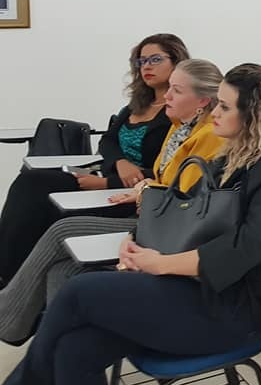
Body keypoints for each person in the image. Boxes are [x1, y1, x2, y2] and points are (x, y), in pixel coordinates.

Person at [0, 63, 261, 385]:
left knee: (77, 291)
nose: (214, 112)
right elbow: (181, 213)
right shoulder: (228, 160)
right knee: (75, 348)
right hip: (198, 288)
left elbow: (244, 249)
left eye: (224, 106)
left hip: (235, 311)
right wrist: (134, 241)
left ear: (252, 116)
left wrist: (159, 264)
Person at [0, 59, 224, 346]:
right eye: (169, 88)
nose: (167, 96)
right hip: (151, 212)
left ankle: (9, 317)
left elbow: (180, 196)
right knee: (62, 269)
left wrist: (141, 189)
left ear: (202, 101)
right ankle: (57, 350)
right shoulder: (180, 126)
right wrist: (142, 188)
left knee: (62, 230)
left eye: (176, 91)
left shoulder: (208, 135)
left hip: (165, 227)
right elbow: (156, 174)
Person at [0, 33, 189, 285]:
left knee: (45, 204)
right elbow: (107, 142)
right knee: (31, 182)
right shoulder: (135, 106)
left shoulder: (180, 111)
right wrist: (120, 162)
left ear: (176, 61)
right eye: (141, 61)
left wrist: (107, 183)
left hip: (131, 193)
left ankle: (13, 278)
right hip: (107, 175)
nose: (147, 66)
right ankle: (9, 272)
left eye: (155, 59)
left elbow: (168, 171)